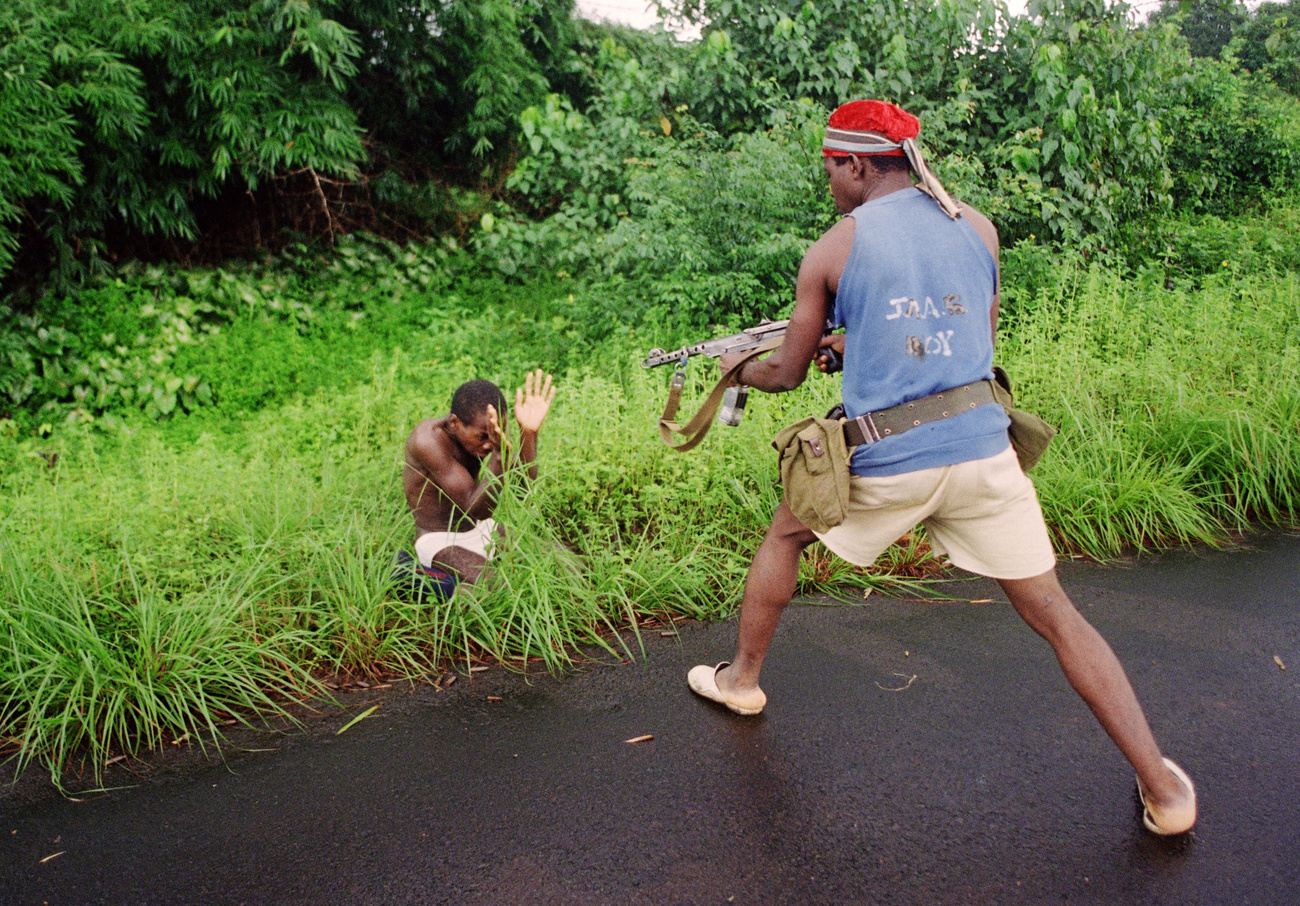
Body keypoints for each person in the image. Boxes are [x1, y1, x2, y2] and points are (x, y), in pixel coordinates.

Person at [686, 100, 1197, 836]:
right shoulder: (978, 226)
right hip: (984, 454)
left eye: (831, 168)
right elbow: (966, 347)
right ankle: (1164, 789)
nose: (829, 182)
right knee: (1055, 614)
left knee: (783, 538)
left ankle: (741, 681)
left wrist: (739, 368)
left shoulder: (833, 248)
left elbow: (786, 376)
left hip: (887, 459)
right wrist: (853, 346)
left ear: (858, 164)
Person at [398, 370, 556, 599]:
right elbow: (475, 509)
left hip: (481, 528)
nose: (488, 444)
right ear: (454, 423)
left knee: (563, 561)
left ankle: (453, 585)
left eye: (491, 437)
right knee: (501, 589)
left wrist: (528, 433)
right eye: (481, 437)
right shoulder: (428, 441)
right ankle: (419, 576)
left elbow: (523, 489)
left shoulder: (493, 429)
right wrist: (500, 458)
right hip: (439, 539)